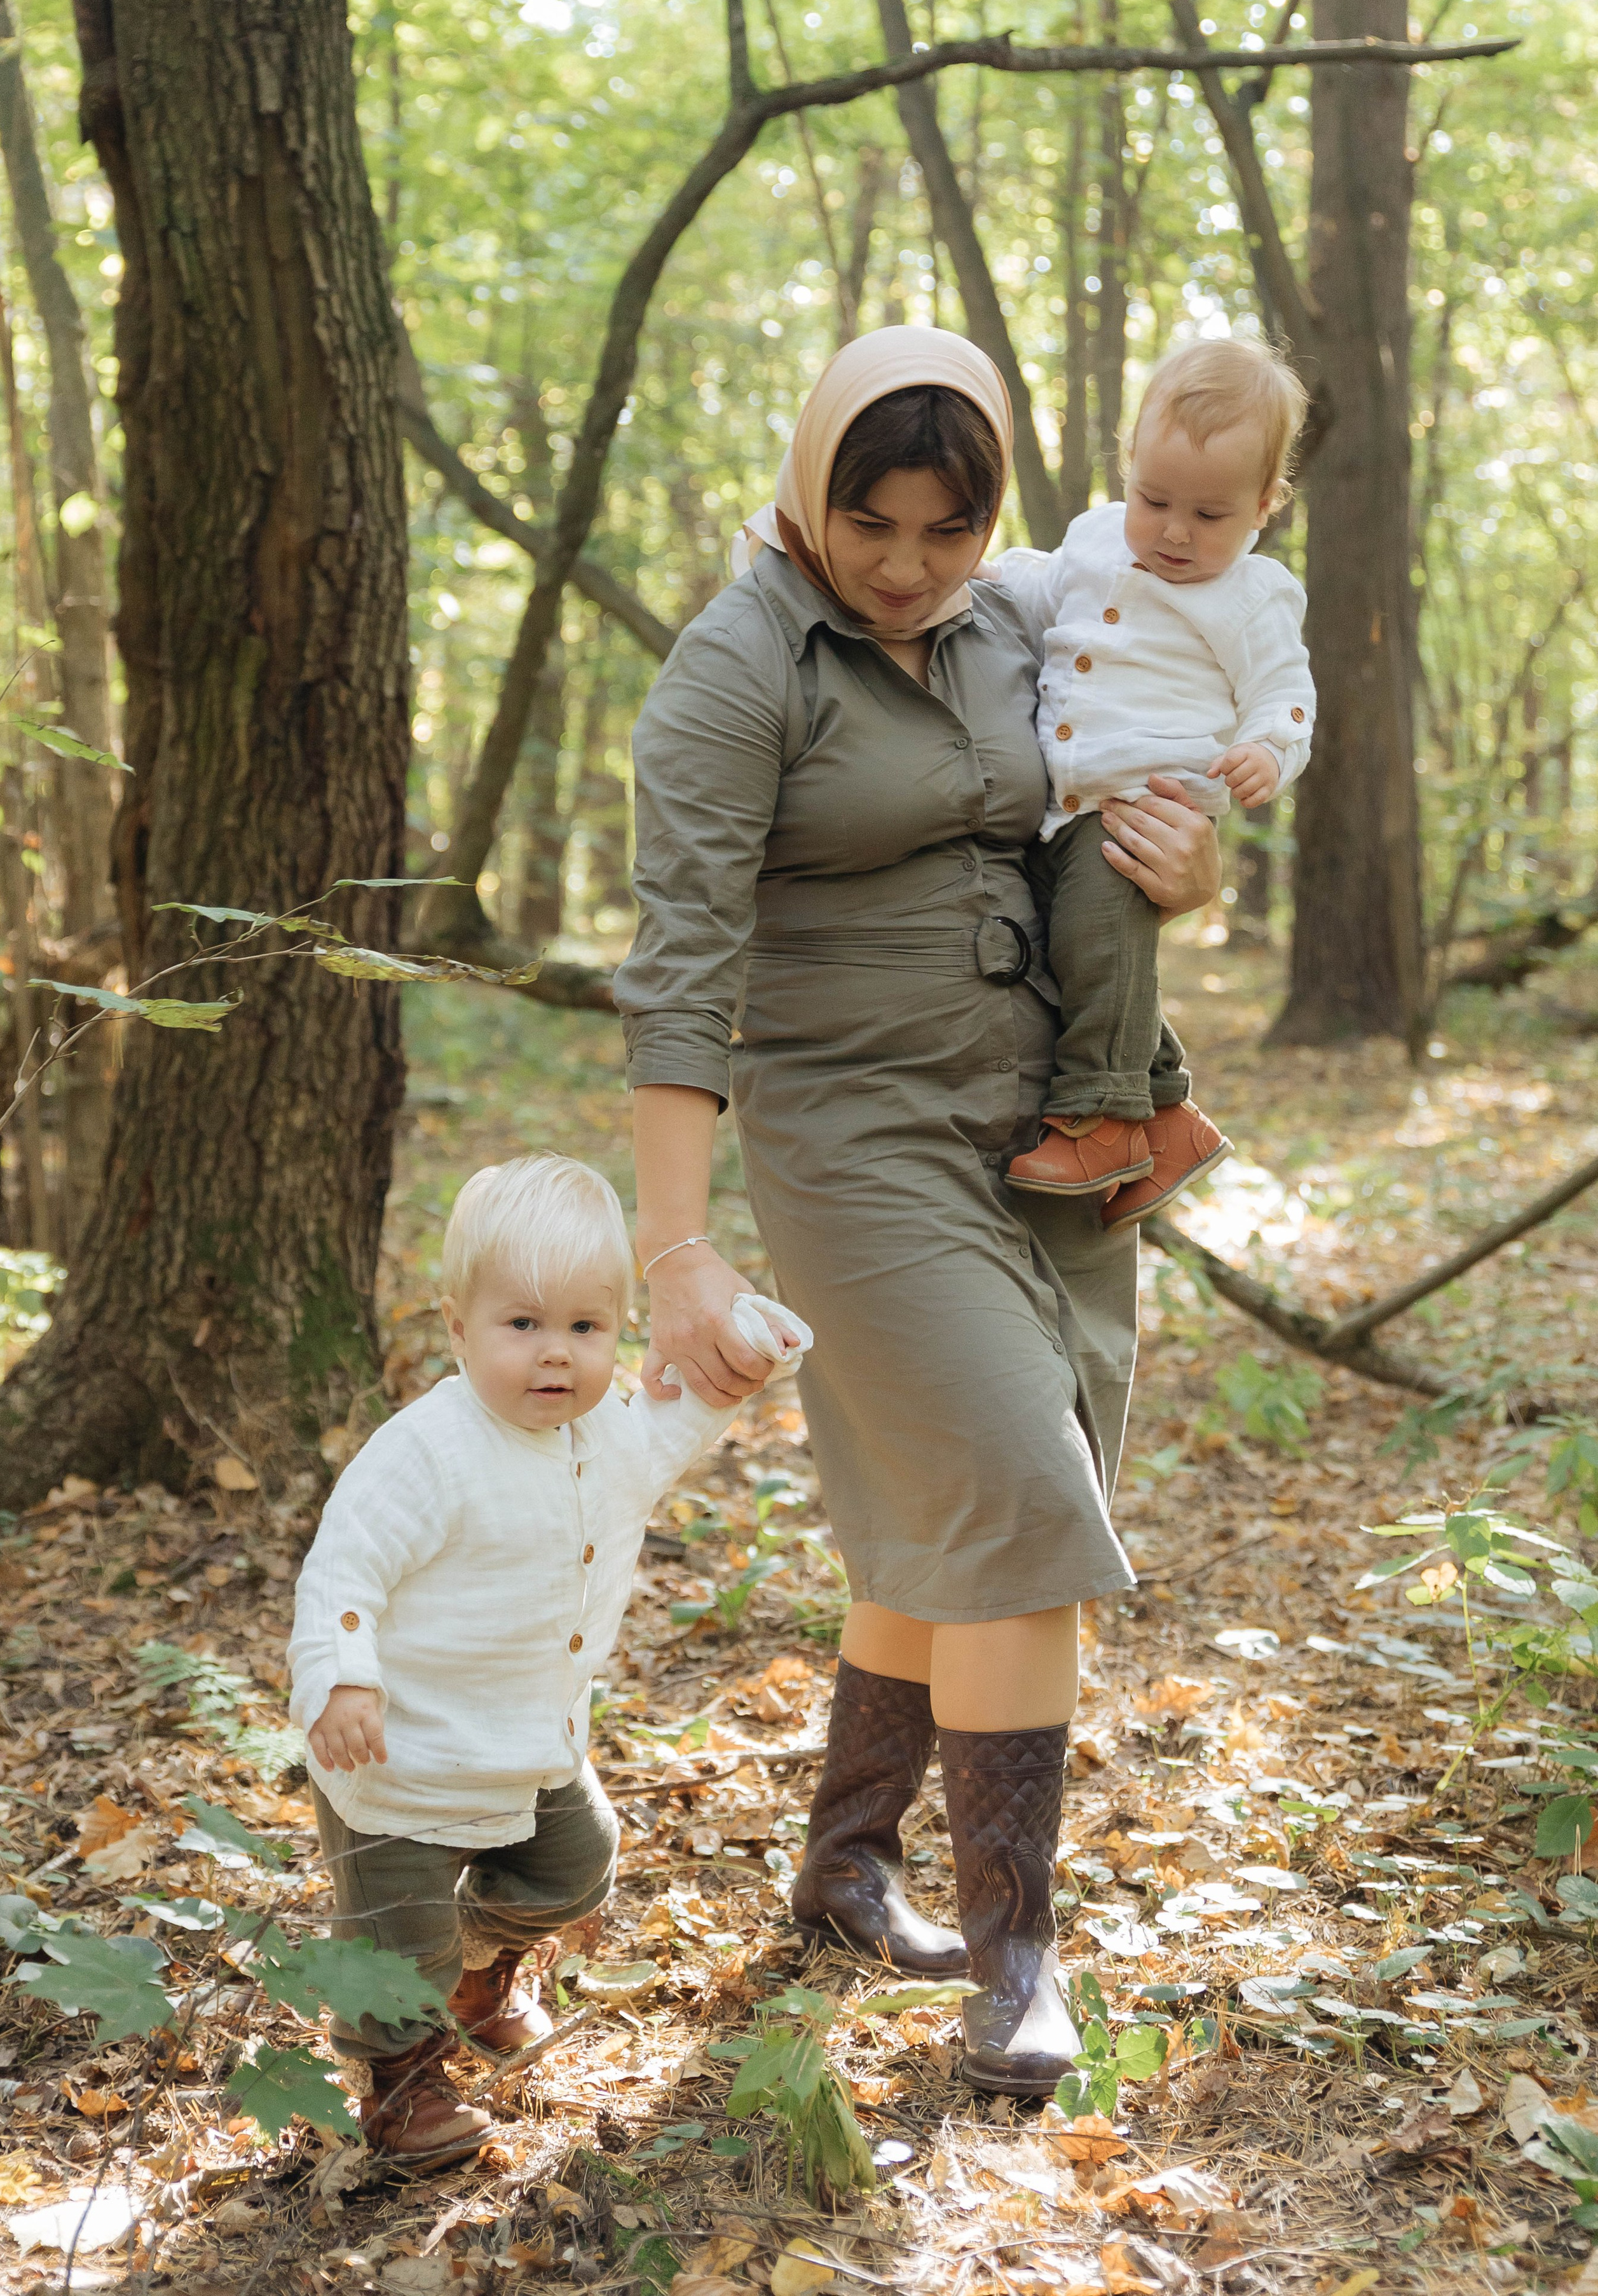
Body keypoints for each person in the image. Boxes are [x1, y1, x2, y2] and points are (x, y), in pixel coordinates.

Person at [617, 325, 1220, 2097]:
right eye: (869, 522)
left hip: (1050, 1130)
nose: (904, 565)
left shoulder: (1029, 617)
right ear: (811, 490)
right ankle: (1018, 1960)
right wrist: (678, 1249)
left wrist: (1205, 869)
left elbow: (1142, 794)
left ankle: (844, 1863)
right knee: (1024, 1487)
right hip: (854, 1136)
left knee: (963, 1511)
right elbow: (676, 979)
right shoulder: (737, 670)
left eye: (946, 528)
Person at [288, 1154, 807, 2162]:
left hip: (533, 1741)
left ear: (619, 1333)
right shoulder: (427, 1450)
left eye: (585, 1328)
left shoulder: (611, 1431)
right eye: (522, 1326)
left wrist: (748, 1341)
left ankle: (481, 1978)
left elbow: (688, 1413)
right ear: (456, 1327)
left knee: (578, 1869)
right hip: (401, 1758)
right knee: (399, 1947)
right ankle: (403, 2089)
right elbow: (343, 1566)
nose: (555, 1355)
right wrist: (343, 1676)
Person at [997, 341, 1314, 1221]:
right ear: (1127, 471)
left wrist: (1267, 750)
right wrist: (982, 574)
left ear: (1264, 506)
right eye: (1155, 499)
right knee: (1078, 953)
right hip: (1062, 803)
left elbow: (1286, 697)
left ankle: (1101, 1120)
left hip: (1144, 806)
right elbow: (1040, 590)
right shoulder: (1096, 536)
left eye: (1210, 514)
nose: (1175, 532)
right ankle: (1169, 1112)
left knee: (1099, 940)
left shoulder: (1252, 596)